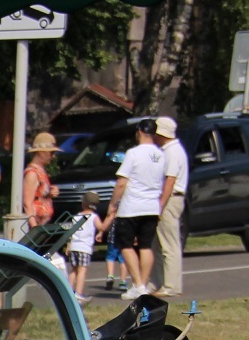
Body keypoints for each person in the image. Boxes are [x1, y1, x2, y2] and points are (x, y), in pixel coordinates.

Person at [98, 119, 167, 302]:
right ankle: (142, 284)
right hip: (152, 205)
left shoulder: (133, 153)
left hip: (132, 207)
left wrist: (113, 204)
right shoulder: (160, 155)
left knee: (126, 245)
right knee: (145, 245)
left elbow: (121, 182)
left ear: (138, 132)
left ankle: (138, 284)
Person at [153, 114, 188, 297]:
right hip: (167, 198)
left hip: (170, 199)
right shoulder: (168, 150)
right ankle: (158, 282)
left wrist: (160, 204)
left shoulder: (172, 152)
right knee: (157, 244)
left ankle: (172, 285)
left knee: (169, 244)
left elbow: (170, 180)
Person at [64, 190, 100, 302]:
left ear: (82, 203)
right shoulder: (94, 217)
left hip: (74, 246)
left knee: (73, 270)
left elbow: (71, 232)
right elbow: (101, 227)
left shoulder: (76, 217)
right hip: (84, 248)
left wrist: (68, 245)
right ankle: (79, 293)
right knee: (82, 270)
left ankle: (69, 292)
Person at [23, 132, 59, 229]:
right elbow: (27, 203)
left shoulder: (41, 171)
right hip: (35, 226)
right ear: (41, 152)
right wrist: (34, 227)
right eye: (51, 153)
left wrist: (49, 193)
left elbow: (39, 195)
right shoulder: (32, 173)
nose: (53, 156)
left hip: (43, 225)